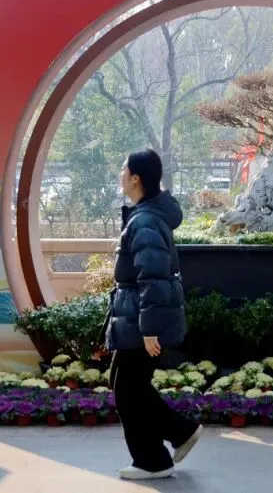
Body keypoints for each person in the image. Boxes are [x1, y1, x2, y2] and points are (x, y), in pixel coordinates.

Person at [106, 149, 202, 480]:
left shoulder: (145, 221)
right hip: (135, 315)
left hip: (141, 319)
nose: (120, 175)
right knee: (124, 384)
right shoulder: (145, 215)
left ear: (136, 178)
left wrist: (149, 329)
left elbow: (154, 277)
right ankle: (176, 435)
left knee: (128, 388)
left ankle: (154, 459)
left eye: (123, 169)